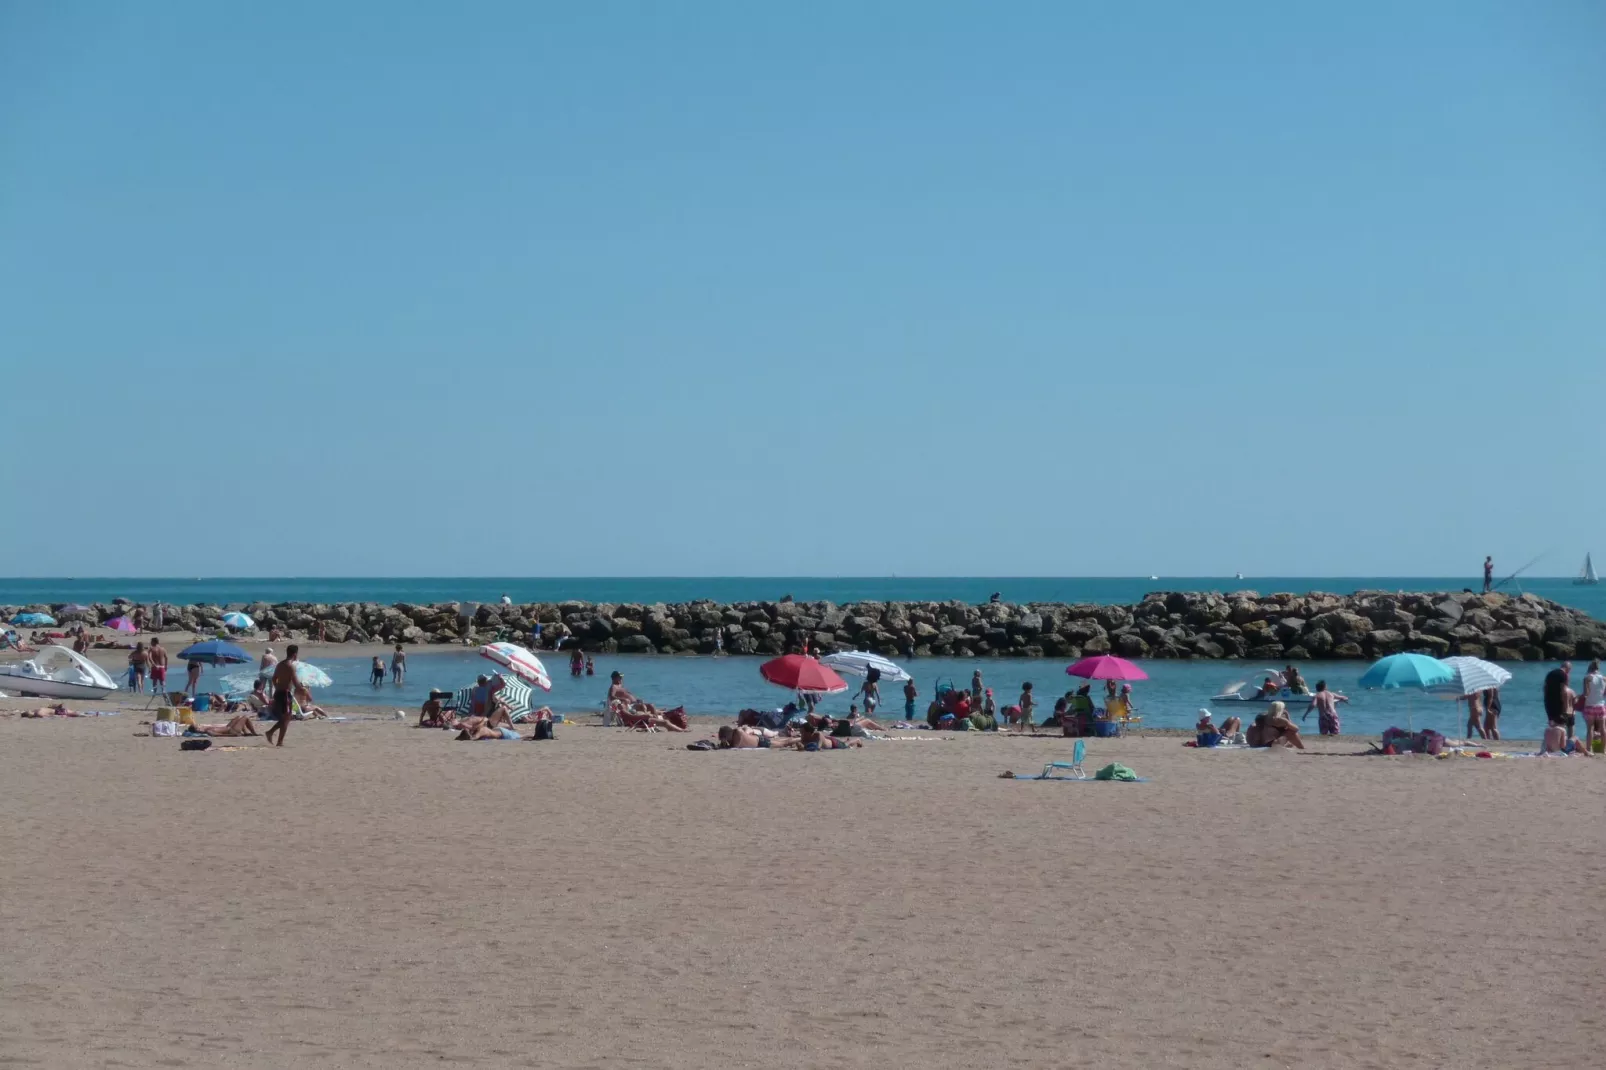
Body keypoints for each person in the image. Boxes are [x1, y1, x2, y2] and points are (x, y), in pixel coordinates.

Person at [264, 644, 299, 747]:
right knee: (287, 718)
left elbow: (274, 678)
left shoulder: (280, 664)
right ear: (295, 655)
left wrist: (278, 686)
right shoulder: (290, 666)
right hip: (285, 693)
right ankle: (276, 738)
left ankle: (274, 736)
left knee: (286, 717)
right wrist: (303, 689)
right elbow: (296, 683)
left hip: (279, 692)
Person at [1543, 661, 1574, 743]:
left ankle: (1550, 743)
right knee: (1561, 724)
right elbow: (1565, 691)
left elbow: (1545, 688)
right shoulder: (1564, 675)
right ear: (1568, 669)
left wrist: (1546, 699)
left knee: (1552, 723)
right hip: (1558, 702)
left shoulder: (1550, 673)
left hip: (1548, 701)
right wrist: (1566, 706)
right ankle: (1560, 745)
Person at [1581, 660, 1606, 754]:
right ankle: (1604, 750)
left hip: (1590, 706)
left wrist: (1579, 698)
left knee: (1590, 729)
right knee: (1603, 729)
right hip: (1601, 706)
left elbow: (1586, 693)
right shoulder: (1604, 678)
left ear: (1590, 668)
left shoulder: (1587, 678)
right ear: (1598, 668)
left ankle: (1589, 749)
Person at [191, 715, 259, 737]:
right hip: (232, 731)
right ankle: (254, 733)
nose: (200, 726)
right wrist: (234, 735)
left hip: (228, 727)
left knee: (238, 717)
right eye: (198, 726)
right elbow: (219, 735)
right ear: (198, 730)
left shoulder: (207, 729)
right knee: (245, 717)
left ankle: (246, 733)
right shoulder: (208, 731)